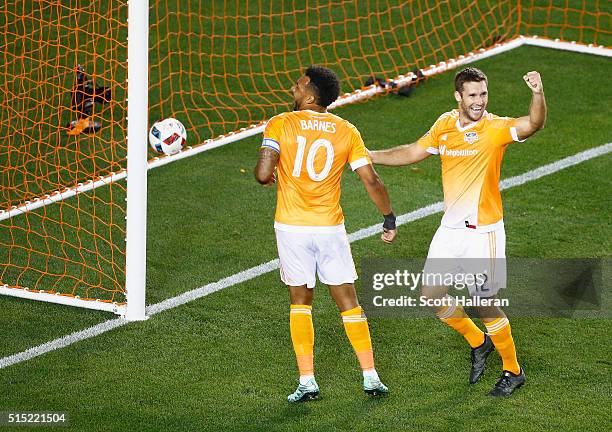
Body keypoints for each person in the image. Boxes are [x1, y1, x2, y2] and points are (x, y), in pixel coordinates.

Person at [369, 67, 546, 396]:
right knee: (431, 297)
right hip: (450, 230)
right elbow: (412, 151)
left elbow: (533, 124)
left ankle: (513, 370)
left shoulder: (495, 129)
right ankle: (479, 341)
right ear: (458, 97)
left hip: (484, 233)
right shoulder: (444, 125)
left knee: (483, 302)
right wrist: (371, 156)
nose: (479, 101)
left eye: (483, 94)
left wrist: (537, 93)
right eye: (473, 95)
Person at [254, 65, 397, 403]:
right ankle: (370, 377)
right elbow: (371, 180)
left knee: (300, 302)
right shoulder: (347, 130)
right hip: (329, 227)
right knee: (348, 301)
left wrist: (271, 170)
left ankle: (307, 381)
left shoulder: (280, 123)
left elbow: (262, 174)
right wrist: (388, 216)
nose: (294, 85)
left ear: (311, 95)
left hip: (291, 228)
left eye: (300, 83)